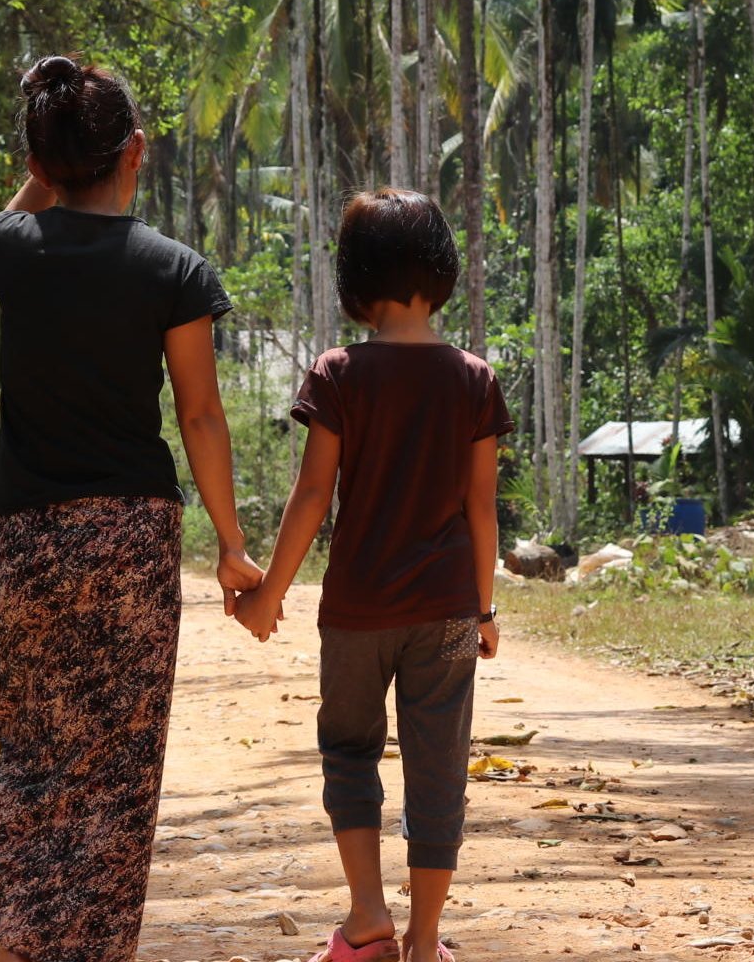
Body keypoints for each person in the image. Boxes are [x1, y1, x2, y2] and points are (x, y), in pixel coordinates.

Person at [0, 55, 264, 962]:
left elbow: (11, 220)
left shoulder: (11, 247)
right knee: (116, 769)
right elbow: (200, 414)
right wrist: (231, 544)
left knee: (31, 746)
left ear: (44, 160)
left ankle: (19, 941)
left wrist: (47, 170)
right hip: (129, 545)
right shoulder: (171, 270)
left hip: (23, 540)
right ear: (137, 152)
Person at [236, 188, 510, 962]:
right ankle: (425, 942)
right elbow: (481, 510)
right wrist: (483, 608)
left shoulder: (339, 372)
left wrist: (268, 594)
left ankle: (367, 918)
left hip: (356, 610)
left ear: (356, 279)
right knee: (439, 767)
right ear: (441, 271)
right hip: (449, 609)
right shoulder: (473, 379)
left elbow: (314, 495)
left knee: (349, 751)